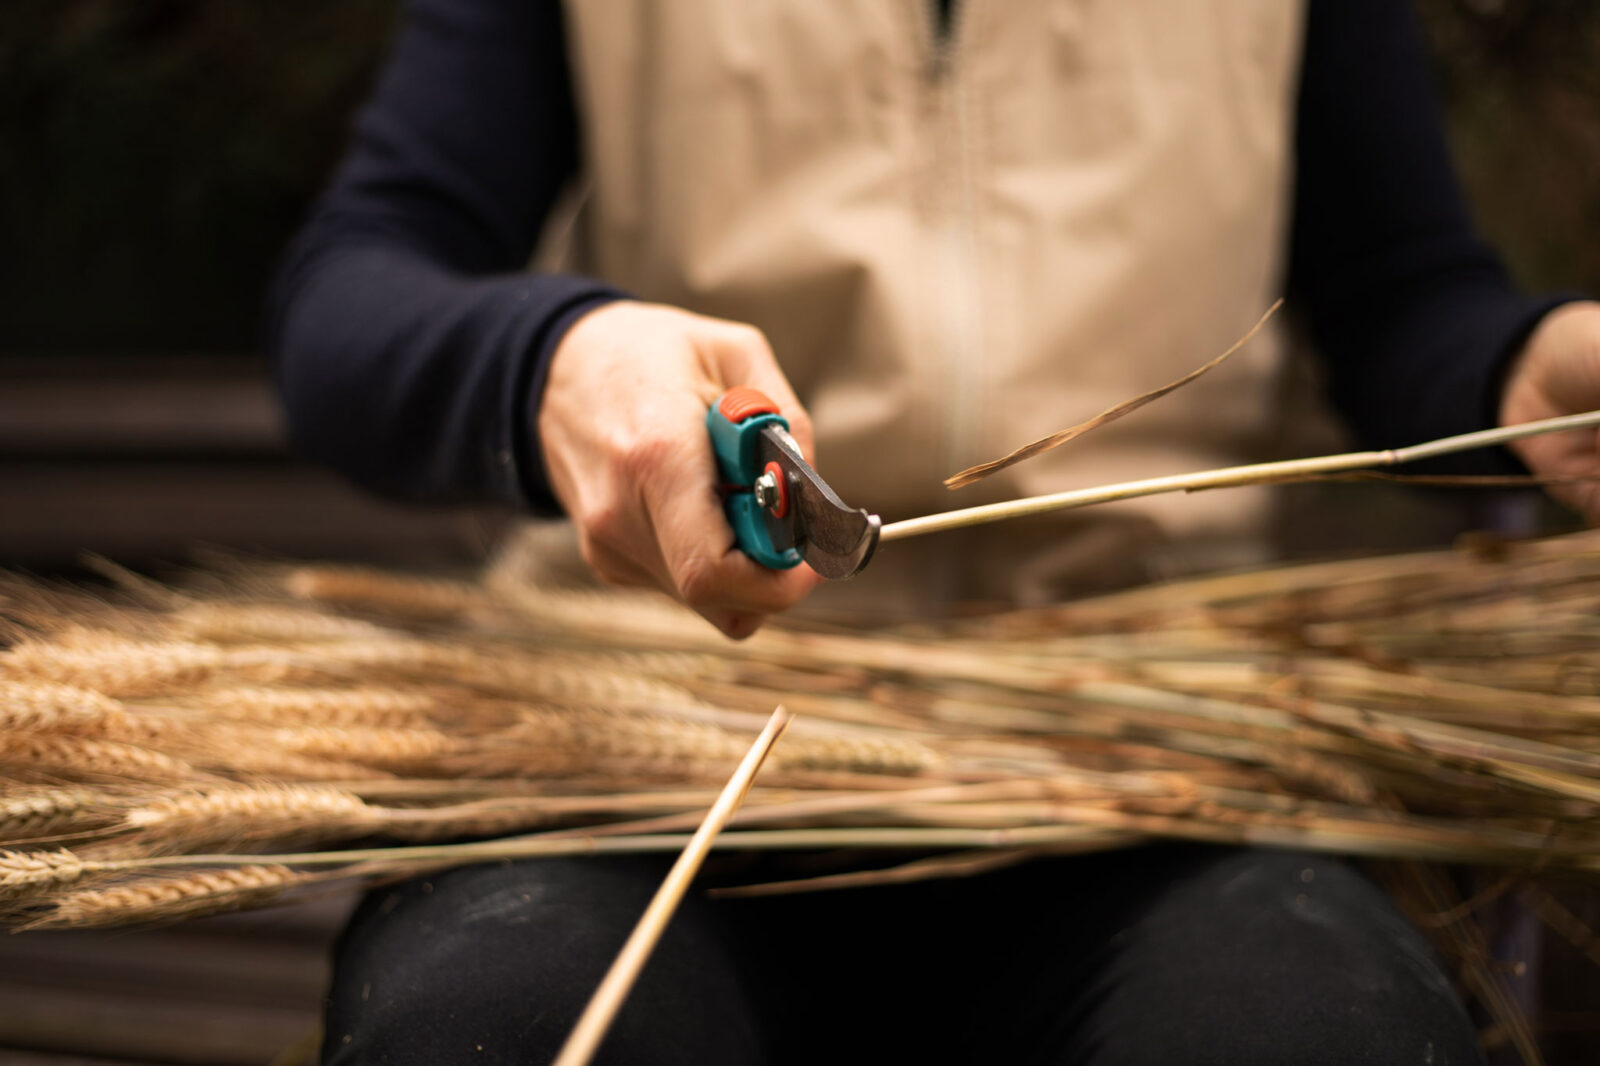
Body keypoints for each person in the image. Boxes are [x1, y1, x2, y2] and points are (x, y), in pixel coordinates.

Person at [267, 1, 1599, 1062]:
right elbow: (350, 294)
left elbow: (1399, 289)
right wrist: (553, 364)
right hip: (643, 734)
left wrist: (1518, 371)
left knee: (1316, 1033)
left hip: (1158, 751)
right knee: (490, 1023)